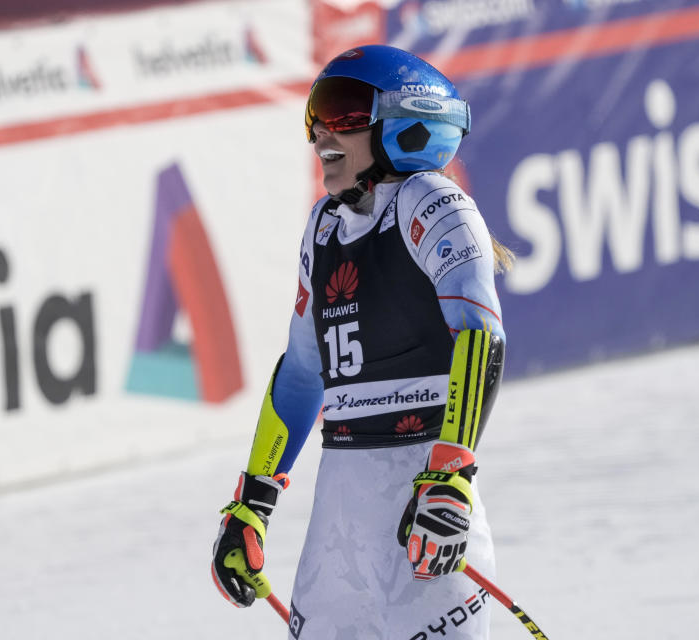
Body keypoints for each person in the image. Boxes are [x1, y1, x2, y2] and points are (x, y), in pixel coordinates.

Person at [211, 44, 513, 639]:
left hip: (420, 488)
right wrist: (253, 503)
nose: (323, 129)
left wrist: (451, 474)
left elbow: (481, 335)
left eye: (346, 112)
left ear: (407, 127)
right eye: (316, 114)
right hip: (342, 504)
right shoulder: (323, 228)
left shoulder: (432, 201)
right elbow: (301, 373)